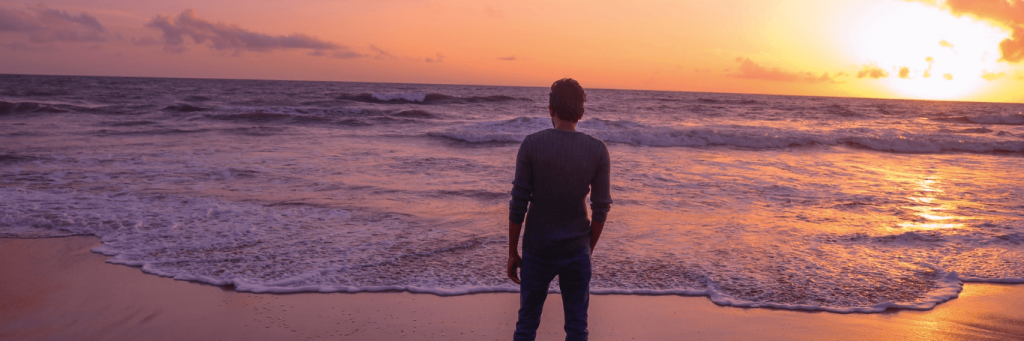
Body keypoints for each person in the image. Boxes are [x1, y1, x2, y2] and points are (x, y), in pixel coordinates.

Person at [507, 78, 612, 341]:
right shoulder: (597, 150)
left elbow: (518, 202)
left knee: (526, 325)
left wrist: (512, 251)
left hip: (537, 247)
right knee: (577, 329)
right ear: (582, 112)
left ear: (550, 108)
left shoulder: (531, 144)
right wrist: (587, 249)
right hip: (576, 249)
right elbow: (601, 208)